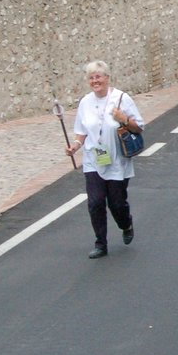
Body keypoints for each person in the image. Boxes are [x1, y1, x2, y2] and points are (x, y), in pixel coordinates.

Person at [66, 61, 144, 259]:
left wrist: (123, 119)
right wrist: (75, 146)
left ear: (107, 78)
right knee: (95, 202)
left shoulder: (121, 99)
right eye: (91, 78)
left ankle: (126, 224)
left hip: (117, 161)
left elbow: (139, 127)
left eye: (98, 77)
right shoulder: (85, 102)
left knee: (117, 204)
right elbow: (81, 131)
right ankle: (101, 243)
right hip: (94, 159)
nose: (95, 81)